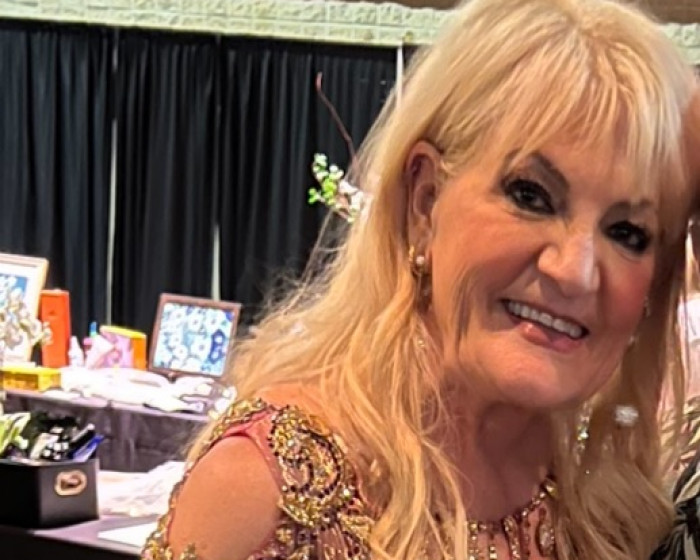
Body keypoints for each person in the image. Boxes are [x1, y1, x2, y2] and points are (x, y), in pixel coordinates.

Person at [141, 0, 700, 559]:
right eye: (531, 197)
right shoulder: (268, 488)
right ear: (425, 200)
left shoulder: (614, 510)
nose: (575, 271)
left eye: (627, 233)